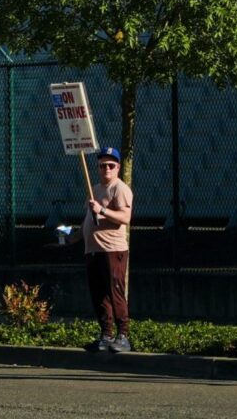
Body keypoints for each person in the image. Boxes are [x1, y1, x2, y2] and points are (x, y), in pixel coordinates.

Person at [82, 146, 134, 353]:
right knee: (99, 294)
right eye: (103, 165)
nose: (107, 169)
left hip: (112, 249)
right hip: (93, 250)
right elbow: (88, 219)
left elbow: (125, 218)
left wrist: (102, 210)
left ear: (118, 168)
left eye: (111, 165)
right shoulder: (93, 189)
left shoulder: (119, 188)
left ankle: (123, 335)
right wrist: (74, 236)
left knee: (115, 292)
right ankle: (106, 334)